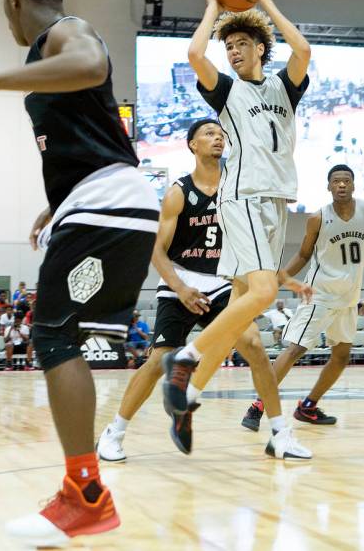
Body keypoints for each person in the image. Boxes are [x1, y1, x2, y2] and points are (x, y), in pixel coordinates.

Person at [0, 0, 159, 546]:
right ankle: (82, 490)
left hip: (107, 203)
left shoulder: (66, 32)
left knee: (53, 335)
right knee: (65, 336)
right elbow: (91, 137)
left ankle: (85, 493)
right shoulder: (50, 50)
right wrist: (59, 201)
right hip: (110, 202)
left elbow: (89, 64)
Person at [161, 0, 313, 461]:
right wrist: (214, 6)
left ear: (260, 50)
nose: (232, 51)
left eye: (241, 45)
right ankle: (186, 359)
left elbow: (304, 51)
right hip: (242, 196)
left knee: (243, 323)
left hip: (275, 202)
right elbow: (193, 53)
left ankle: (190, 397)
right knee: (265, 292)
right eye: (229, 47)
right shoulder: (226, 92)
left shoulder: (282, 89)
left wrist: (264, 2)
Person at [98, 120, 300, 459]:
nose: (218, 138)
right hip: (183, 280)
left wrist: (280, 277)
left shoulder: (236, 189)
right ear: (192, 144)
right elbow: (156, 250)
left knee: (254, 346)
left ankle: (280, 433)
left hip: (224, 282)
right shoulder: (179, 192)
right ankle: (113, 432)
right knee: (159, 360)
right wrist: (180, 288)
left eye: (221, 134)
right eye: (209, 133)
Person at [242, 165, 364, 430]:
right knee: (296, 349)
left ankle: (308, 407)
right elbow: (303, 254)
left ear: (354, 185)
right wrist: (281, 277)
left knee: (341, 356)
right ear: (329, 187)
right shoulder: (318, 218)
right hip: (319, 294)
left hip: (348, 298)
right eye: (336, 181)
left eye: (346, 181)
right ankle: (257, 405)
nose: (342, 185)